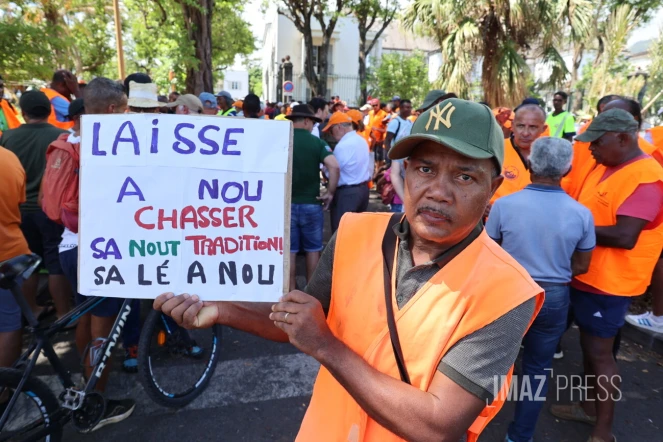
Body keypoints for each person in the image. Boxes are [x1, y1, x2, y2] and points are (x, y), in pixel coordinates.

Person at [153, 98, 544, 442]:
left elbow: (437, 426)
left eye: (464, 176)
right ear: (405, 171)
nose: (439, 190)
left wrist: (325, 345)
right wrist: (221, 308)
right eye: (425, 169)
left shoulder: (507, 292)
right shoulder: (357, 231)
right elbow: (302, 318)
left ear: (492, 188)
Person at [550, 109, 663, 442]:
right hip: (589, 277)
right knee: (590, 350)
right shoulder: (610, 167)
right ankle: (587, 407)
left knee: (600, 355)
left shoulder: (646, 178)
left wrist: (571, 228)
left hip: (609, 286)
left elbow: (626, 235)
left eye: (597, 143)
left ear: (624, 139)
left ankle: (603, 431)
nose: (592, 150)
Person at [487, 137, 595, 442]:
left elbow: (490, 256)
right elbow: (583, 265)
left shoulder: (503, 206)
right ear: (568, 168)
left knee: (488, 362)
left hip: (509, 291)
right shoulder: (581, 213)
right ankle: (519, 437)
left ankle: (469, 426)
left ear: (530, 165)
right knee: (537, 369)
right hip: (554, 295)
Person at [58, 77, 136, 430]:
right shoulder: (110, 147)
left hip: (70, 244)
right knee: (103, 329)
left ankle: (83, 379)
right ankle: (95, 404)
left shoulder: (71, 139)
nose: (129, 114)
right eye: (125, 108)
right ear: (111, 110)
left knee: (86, 317)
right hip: (101, 250)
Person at [0, 90, 72, 321]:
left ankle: (30, 310)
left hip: (18, 211)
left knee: (26, 262)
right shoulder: (61, 136)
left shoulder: (8, 138)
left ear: (22, 112)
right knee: (55, 263)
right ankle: (63, 312)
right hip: (50, 211)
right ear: (50, 110)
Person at [285, 104, 340, 291]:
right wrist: (329, 193)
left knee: (289, 252)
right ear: (307, 121)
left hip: (286, 205)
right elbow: (334, 166)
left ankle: (289, 293)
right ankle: (311, 295)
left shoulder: (283, 140)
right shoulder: (317, 143)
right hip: (311, 204)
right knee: (312, 250)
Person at [0, 143, 31, 368]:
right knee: (9, 324)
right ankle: (4, 389)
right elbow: (19, 200)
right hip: (9, 251)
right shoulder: (8, 158)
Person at [323, 112, 371, 232]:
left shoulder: (343, 145)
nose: (331, 134)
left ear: (339, 127)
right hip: (362, 190)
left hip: (347, 193)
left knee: (341, 233)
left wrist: (324, 170)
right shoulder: (361, 140)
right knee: (355, 231)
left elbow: (332, 170)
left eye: (331, 130)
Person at [490, 104, 547, 204]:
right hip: (495, 215)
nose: (525, 133)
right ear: (512, 126)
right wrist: (483, 203)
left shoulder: (550, 156)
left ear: (543, 128)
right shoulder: (495, 148)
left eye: (533, 127)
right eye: (520, 126)